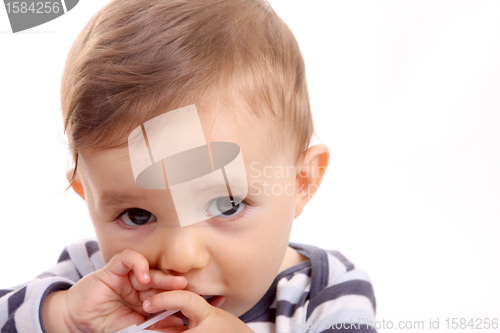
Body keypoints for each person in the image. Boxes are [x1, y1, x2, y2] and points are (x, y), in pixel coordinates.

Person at [0, 0, 376, 332]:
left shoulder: (328, 296)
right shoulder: (89, 281)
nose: (180, 257)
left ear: (301, 182)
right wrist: (61, 317)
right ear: (88, 195)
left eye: (226, 204)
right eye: (137, 215)